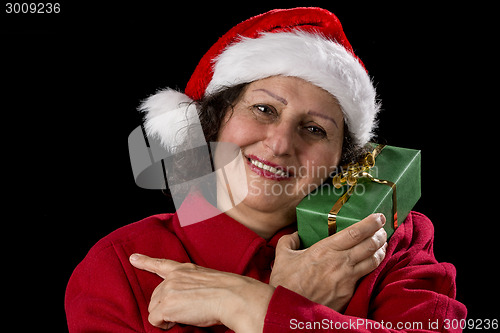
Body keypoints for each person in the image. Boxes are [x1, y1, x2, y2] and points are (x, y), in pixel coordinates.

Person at [65, 7, 467, 332]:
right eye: (264, 109)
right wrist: (295, 307)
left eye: (314, 129)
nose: (280, 143)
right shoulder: (120, 266)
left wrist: (253, 306)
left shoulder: (386, 239)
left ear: (340, 161)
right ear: (215, 122)